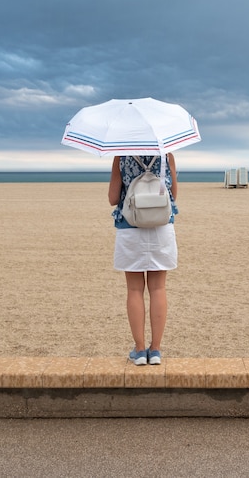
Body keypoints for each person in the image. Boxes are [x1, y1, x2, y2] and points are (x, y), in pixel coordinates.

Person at [108, 153, 178, 365]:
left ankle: (139, 351)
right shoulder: (167, 155)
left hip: (131, 227)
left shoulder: (121, 156)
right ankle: (155, 350)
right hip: (160, 227)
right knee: (158, 288)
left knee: (134, 289)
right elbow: (173, 195)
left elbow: (113, 198)